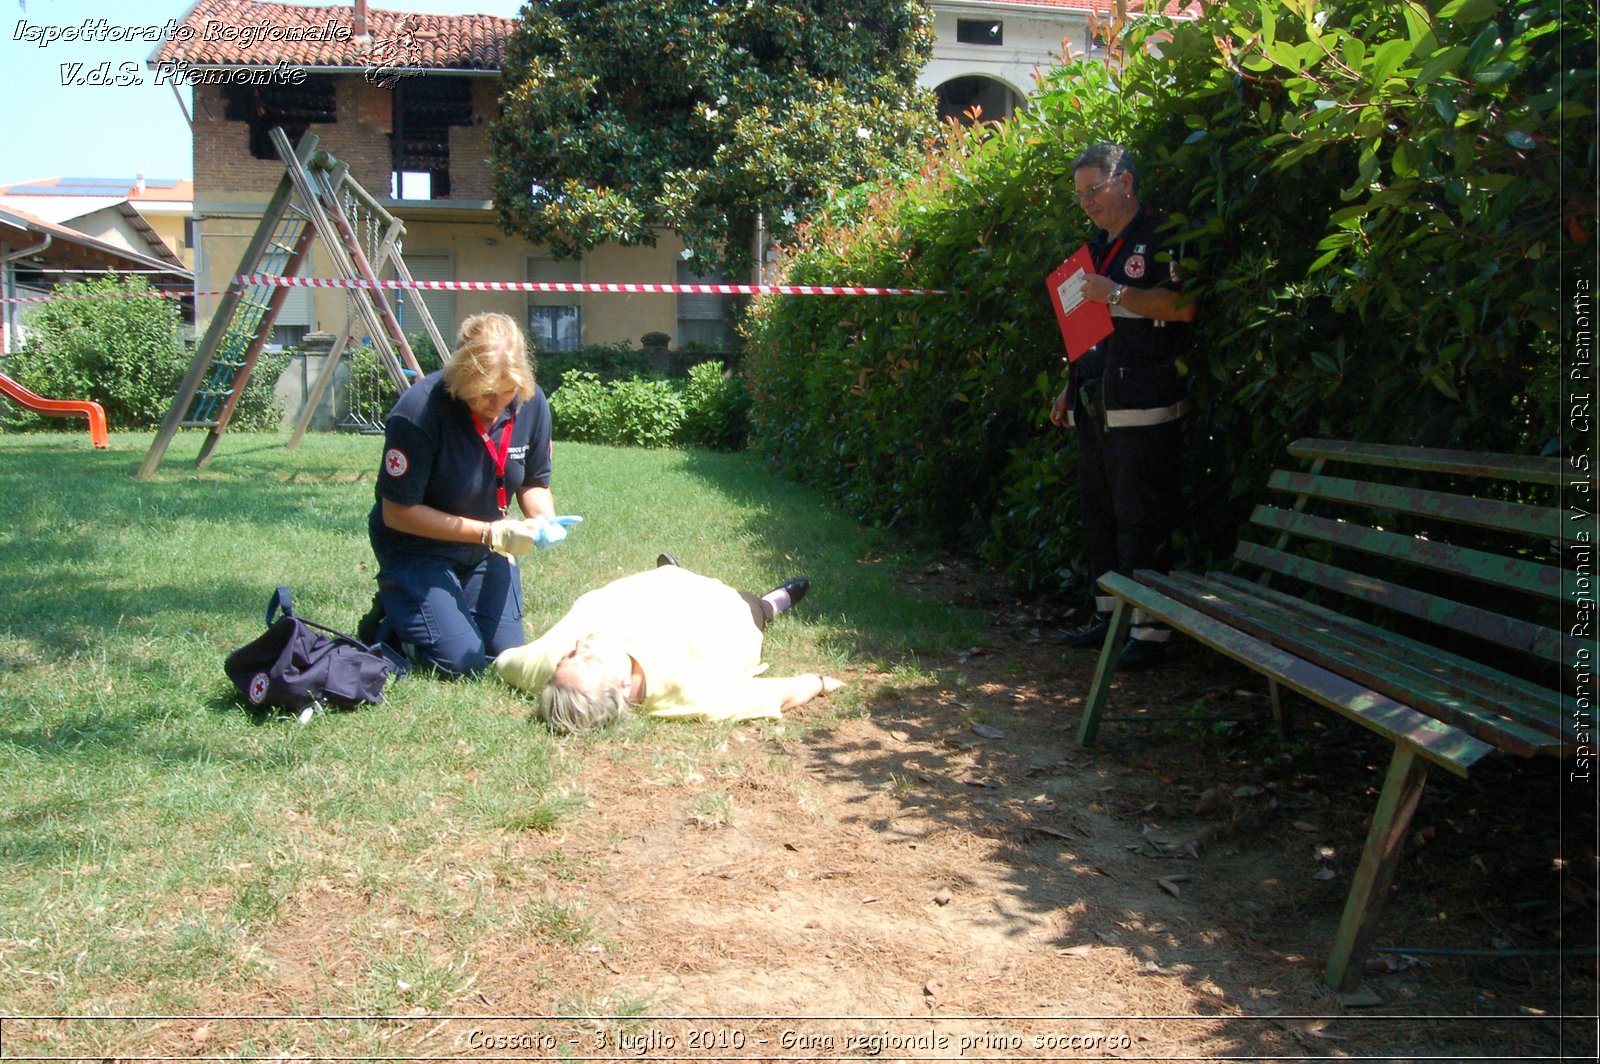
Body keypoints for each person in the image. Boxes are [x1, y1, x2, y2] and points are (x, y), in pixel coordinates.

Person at [359, 311, 579, 677]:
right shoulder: (418, 412)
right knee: (461, 663)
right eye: (485, 393)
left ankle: (442, 607)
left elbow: (533, 482)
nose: (499, 403)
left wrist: (543, 518)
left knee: (504, 655)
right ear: (461, 378)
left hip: (486, 549)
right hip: (417, 548)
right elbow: (396, 512)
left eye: (509, 391)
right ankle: (392, 621)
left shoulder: (531, 402)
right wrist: (489, 531)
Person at [1049, 143, 1197, 671]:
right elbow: (1089, 334)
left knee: (1142, 515)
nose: (1086, 202)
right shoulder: (1094, 246)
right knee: (1101, 513)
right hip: (1097, 403)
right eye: (1080, 195)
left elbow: (1183, 306)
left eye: (1095, 189)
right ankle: (1109, 617)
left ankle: (1150, 631)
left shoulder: (1159, 237)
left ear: (1126, 182)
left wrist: (1115, 293)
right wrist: (1071, 384)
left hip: (1145, 403)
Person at [494, 556, 844, 733]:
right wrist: (820, 683)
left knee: (671, 577)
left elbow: (505, 663)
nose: (582, 645)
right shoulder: (691, 692)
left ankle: (674, 572)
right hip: (720, 612)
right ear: (624, 687)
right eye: (590, 661)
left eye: (569, 656)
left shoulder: (542, 665)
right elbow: (774, 694)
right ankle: (774, 601)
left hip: (657, 588)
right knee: (754, 609)